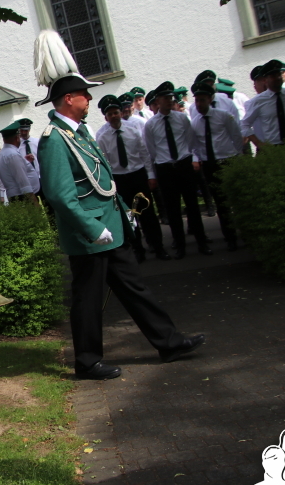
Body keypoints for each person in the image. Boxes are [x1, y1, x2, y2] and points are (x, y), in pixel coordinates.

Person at [32, 30, 204, 380]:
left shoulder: (79, 132)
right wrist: (93, 228)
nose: (89, 98)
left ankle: (169, 342)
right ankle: (87, 362)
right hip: (90, 234)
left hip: (110, 225)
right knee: (87, 298)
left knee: (134, 287)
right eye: (84, 94)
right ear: (68, 99)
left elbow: (102, 179)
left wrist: (123, 210)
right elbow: (60, 195)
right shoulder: (54, 139)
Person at [94, 95, 169, 262]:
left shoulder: (133, 130)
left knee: (148, 214)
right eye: (110, 114)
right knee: (129, 217)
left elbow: (145, 155)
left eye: (116, 112)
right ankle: (137, 250)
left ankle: (158, 247)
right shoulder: (102, 137)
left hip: (138, 175)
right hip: (120, 180)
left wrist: (151, 176)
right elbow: (105, 163)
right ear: (106, 118)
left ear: (121, 113)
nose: (114, 116)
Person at [142, 82, 212, 259]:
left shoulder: (181, 118)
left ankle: (201, 242)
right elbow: (151, 150)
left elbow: (191, 142)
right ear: (158, 101)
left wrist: (191, 159)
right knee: (173, 210)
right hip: (165, 169)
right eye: (165, 98)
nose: (169, 101)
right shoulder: (150, 125)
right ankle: (180, 245)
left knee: (193, 206)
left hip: (183, 165)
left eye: (170, 98)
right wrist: (154, 172)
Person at [190, 81, 243, 251]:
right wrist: (199, 159)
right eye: (196, 100)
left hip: (227, 160)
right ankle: (230, 237)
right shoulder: (195, 122)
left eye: (202, 100)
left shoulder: (224, 116)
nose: (199, 104)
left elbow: (236, 137)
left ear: (210, 99)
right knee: (220, 202)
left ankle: (245, 231)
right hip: (210, 165)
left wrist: (237, 157)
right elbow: (195, 145)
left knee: (236, 198)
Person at [241, 59, 285, 148]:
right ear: (265, 80)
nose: (278, 78)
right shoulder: (258, 101)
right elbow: (245, 125)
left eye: (279, 74)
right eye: (273, 76)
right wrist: (259, 144)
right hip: (274, 147)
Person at [0, 121, 39, 203]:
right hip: (22, 197)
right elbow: (23, 182)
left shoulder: (1, 153)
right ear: (17, 138)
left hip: (16, 196)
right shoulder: (13, 154)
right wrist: (34, 202)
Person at [17, 118, 41, 182]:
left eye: (26, 130)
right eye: (22, 130)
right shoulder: (17, 145)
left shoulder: (37, 142)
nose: (23, 133)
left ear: (29, 130)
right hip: (27, 178)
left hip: (40, 176)